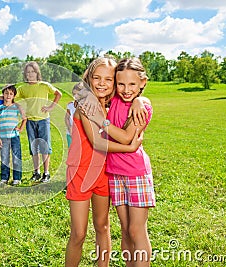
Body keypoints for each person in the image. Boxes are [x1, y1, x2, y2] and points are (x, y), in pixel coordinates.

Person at [65, 57, 144, 267]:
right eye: (97, 78)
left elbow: (137, 93)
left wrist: (138, 100)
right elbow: (97, 142)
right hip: (80, 172)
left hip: (104, 173)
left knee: (103, 226)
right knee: (79, 233)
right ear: (89, 78)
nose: (102, 83)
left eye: (108, 79)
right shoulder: (85, 104)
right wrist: (129, 147)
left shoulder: (114, 103)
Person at [84, 58, 155, 266]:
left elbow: (125, 137)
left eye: (132, 84)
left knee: (136, 229)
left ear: (142, 83)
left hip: (136, 173)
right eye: (121, 84)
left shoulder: (142, 107)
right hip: (115, 173)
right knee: (125, 230)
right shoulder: (115, 99)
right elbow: (92, 89)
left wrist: (102, 120)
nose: (126, 89)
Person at [16, 61, 62, 183]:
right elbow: (9, 96)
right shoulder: (22, 88)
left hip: (43, 120)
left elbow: (58, 94)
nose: (30, 74)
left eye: (32, 71)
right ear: (25, 74)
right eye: (28, 72)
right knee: (34, 148)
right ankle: (36, 172)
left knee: (45, 147)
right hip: (30, 121)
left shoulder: (44, 85)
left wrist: (51, 107)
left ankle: (46, 173)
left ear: (37, 73)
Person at [0, 84, 27, 186]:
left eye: (11, 94)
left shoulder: (17, 107)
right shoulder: (0, 108)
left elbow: (25, 118)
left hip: (14, 137)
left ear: (13, 96)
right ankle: (4, 177)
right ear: (3, 94)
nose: (8, 95)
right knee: (4, 158)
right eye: (6, 93)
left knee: (16, 157)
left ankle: (17, 178)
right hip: (3, 137)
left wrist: (21, 128)